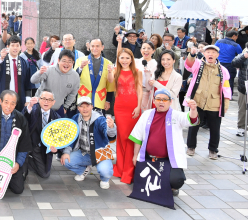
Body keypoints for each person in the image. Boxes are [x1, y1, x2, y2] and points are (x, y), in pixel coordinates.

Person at [130, 89, 199, 196]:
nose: (161, 102)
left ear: (170, 101)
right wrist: (135, 156)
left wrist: (193, 110)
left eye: (165, 99)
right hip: (149, 158)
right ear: (154, 100)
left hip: (169, 160)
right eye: (158, 99)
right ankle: (162, 184)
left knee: (176, 180)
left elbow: (191, 119)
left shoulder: (176, 115)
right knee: (139, 180)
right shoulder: (147, 114)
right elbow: (137, 137)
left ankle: (170, 185)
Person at [185, 45, 231, 159]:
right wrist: (192, 54)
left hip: (214, 103)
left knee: (215, 128)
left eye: (213, 52)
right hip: (197, 101)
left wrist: (226, 104)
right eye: (208, 52)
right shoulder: (198, 64)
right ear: (204, 54)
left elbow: (226, 88)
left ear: (217, 55)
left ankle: (213, 150)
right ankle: (191, 147)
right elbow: (189, 65)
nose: (211, 54)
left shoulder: (223, 70)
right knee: (193, 125)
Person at [61, 96, 117, 189]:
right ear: (78, 108)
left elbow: (109, 134)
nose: (85, 109)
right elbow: (70, 137)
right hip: (84, 152)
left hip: (100, 153)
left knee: (105, 172)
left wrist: (111, 127)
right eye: (81, 106)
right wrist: (66, 152)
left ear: (92, 106)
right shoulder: (75, 118)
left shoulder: (99, 119)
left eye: (87, 106)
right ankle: (83, 170)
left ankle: (105, 179)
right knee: (66, 160)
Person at [111, 48, 142, 184]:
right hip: (119, 107)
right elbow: (110, 82)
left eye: (127, 58)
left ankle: (129, 170)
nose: (124, 60)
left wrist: (139, 106)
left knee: (132, 137)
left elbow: (139, 89)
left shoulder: (137, 72)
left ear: (131, 59)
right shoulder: (115, 71)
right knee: (122, 137)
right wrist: (110, 71)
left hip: (133, 107)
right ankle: (121, 167)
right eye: (122, 58)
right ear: (118, 59)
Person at [31, 50, 80, 118]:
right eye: (64, 61)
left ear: (73, 63)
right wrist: (39, 73)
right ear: (58, 60)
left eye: (69, 61)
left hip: (57, 108)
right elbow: (33, 80)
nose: (66, 64)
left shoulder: (75, 76)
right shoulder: (49, 69)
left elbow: (73, 94)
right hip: (40, 106)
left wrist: (65, 107)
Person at [0, 36, 32, 111]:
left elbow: (28, 83)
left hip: (20, 98)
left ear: (21, 47)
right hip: (4, 98)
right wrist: (1, 59)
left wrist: (28, 99)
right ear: (8, 47)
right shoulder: (1, 59)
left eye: (17, 46)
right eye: (12, 45)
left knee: (19, 117)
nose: (15, 48)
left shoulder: (24, 62)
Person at [24, 90, 60, 179]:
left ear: (53, 102)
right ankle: (23, 159)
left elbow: (59, 138)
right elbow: (23, 117)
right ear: (39, 100)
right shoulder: (33, 110)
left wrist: (56, 149)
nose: (46, 102)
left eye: (49, 100)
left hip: (42, 148)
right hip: (29, 144)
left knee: (45, 174)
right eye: (44, 99)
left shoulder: (56, 118)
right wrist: (29, 106)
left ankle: (28, 160)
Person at [75, 39, 115, 114]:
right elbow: (74, 77)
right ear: (89, 47)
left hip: (100, 99)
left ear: (102, 47)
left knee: (98, 120)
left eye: (97, 46)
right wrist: (80, 67)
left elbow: (110, 84)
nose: (94, 48)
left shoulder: (108, 63)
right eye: (92, 46)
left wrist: (108, 100)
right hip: (83, 98)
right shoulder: (80, 60)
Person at [215, 30, 243, 96]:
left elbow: (214, 50)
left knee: (217, 79)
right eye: (237, 36)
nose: (237, 38)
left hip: (219, 63)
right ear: (234, 36)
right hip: (230, 64)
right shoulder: (236, 45)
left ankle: (217, 93)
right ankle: (228, 95)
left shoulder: (218, 42)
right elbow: (241, 55)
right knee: (229, 80)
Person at [233, 45, 248, 136]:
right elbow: (234, 63)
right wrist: (243, 56)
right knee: (242, 108)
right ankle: (241, 127)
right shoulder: (243, 55)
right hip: (243, 87)